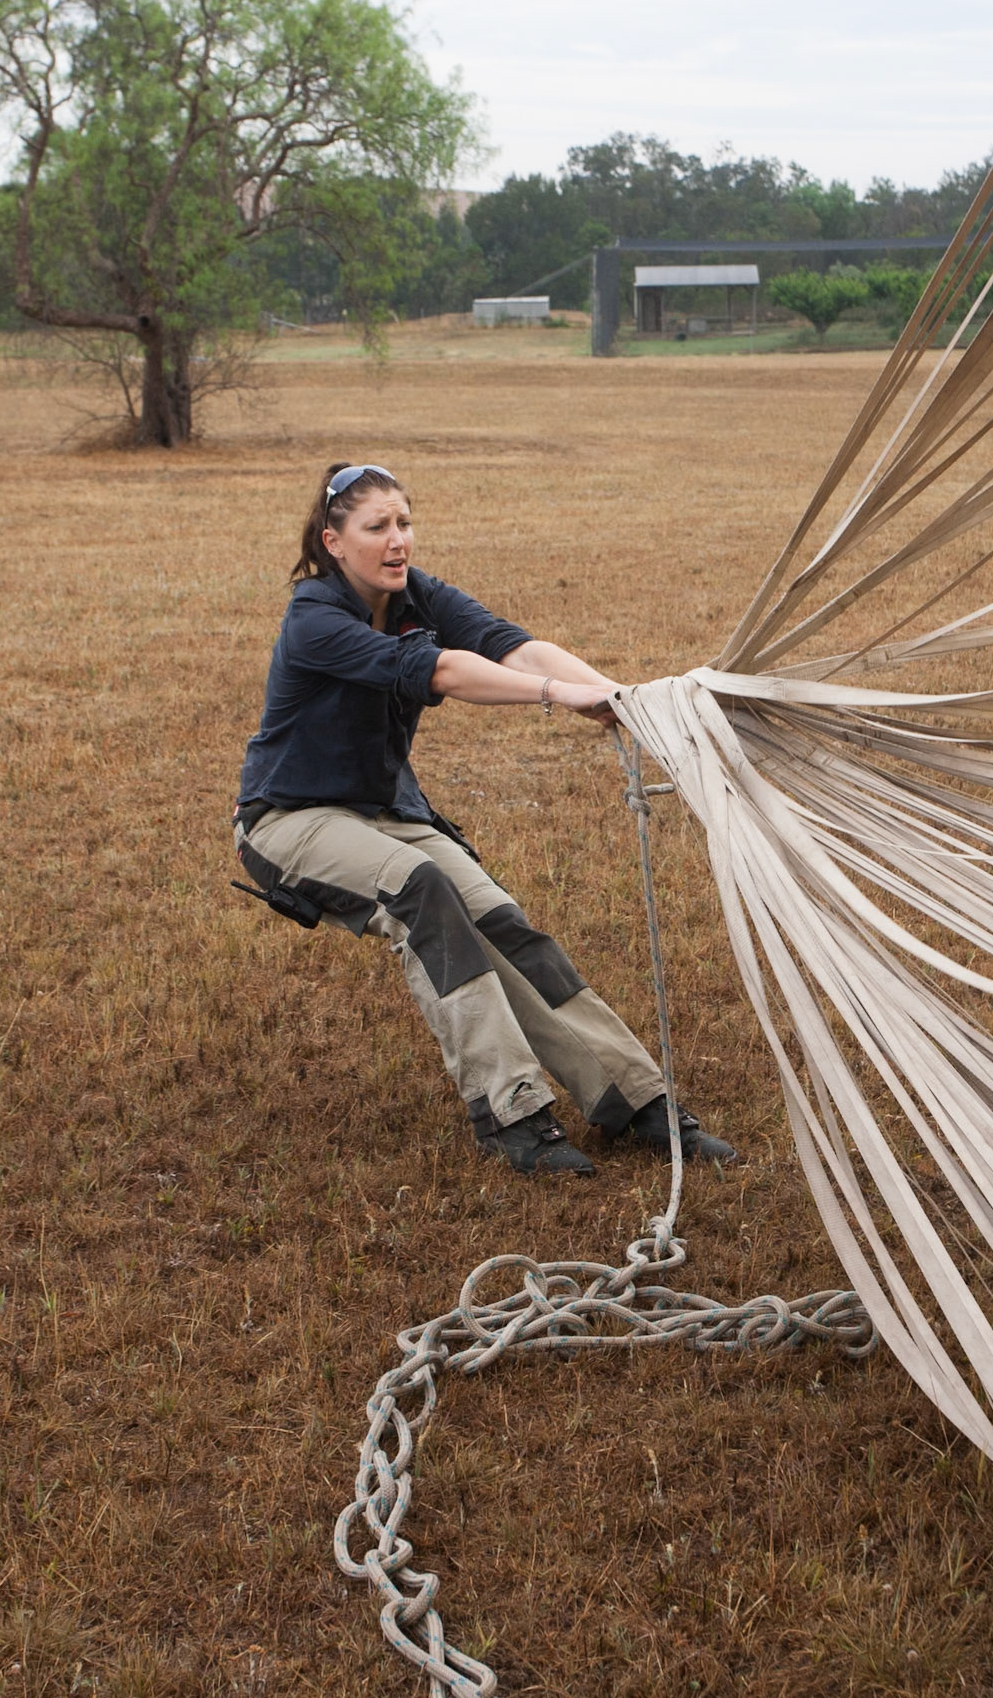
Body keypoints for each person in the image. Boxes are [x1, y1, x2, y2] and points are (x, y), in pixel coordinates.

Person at [232, 461, 735, 1177]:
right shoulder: (314, 617)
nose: (397, 539)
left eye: (404, 522)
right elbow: (443, 673)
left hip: (386, 812)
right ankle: (512, 1112)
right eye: (377, 527)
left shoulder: (416, 593)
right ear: (333, 541)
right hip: (289, 819)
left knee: (502, 920)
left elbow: (512, 645)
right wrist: (558, 695)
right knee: (422, 893)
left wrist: (618, 697)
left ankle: (633, 1099)